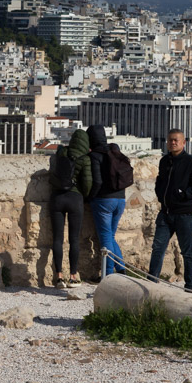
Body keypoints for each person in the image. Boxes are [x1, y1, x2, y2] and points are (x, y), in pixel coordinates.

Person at [148, 128, 192, 292]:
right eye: (170, 140)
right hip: (166, 212)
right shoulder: (164, 161)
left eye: (176, 140)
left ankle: (190, 286)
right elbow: (160, 181)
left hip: (184, 214)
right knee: (158, 248)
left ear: (183, 143)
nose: (173, 143)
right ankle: (151, 282)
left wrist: (183, 194)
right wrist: (160, 195)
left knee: (187, 252)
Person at [50, 128, 93, 289]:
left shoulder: (61, 153)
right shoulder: (85, 159)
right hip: (75, 198)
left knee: (57, 238)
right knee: (74, 239)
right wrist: (85, 195)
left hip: (57, 198)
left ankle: (58, 276)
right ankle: (73, 276)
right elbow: (87, 182)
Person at [86, 124, 126, 277]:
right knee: (110, 236)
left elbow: (97, 182)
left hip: (103, 201)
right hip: (120, 199)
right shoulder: (115, 152)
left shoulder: (94, 156)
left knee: (105, 238)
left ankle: (108, 275)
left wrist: (90, 197)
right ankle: (121, 268)